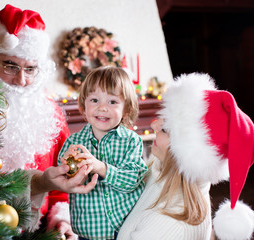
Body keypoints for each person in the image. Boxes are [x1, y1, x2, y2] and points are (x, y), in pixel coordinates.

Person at [117, 72, 254, 240]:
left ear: (185, 154)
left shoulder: (170, 225)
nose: (153, 125)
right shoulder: (160, 169)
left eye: (166, 129)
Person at [0, 4, 76, 238]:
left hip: (38, 229)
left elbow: (64, 179)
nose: (21, 80)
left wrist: (61, 219)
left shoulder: (50, 113)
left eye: (31, 69)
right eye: (10, 66)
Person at [58, 66, 148, 240]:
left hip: (127, 229)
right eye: (94, 100)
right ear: (84, 105)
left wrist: (99, 166)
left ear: (127, 109)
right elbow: (66, 183)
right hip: (88, 232)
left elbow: (132, 180)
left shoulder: (131, 141)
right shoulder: (73, 143)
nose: (102, 108)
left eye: (112, 102)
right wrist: (71, 170)